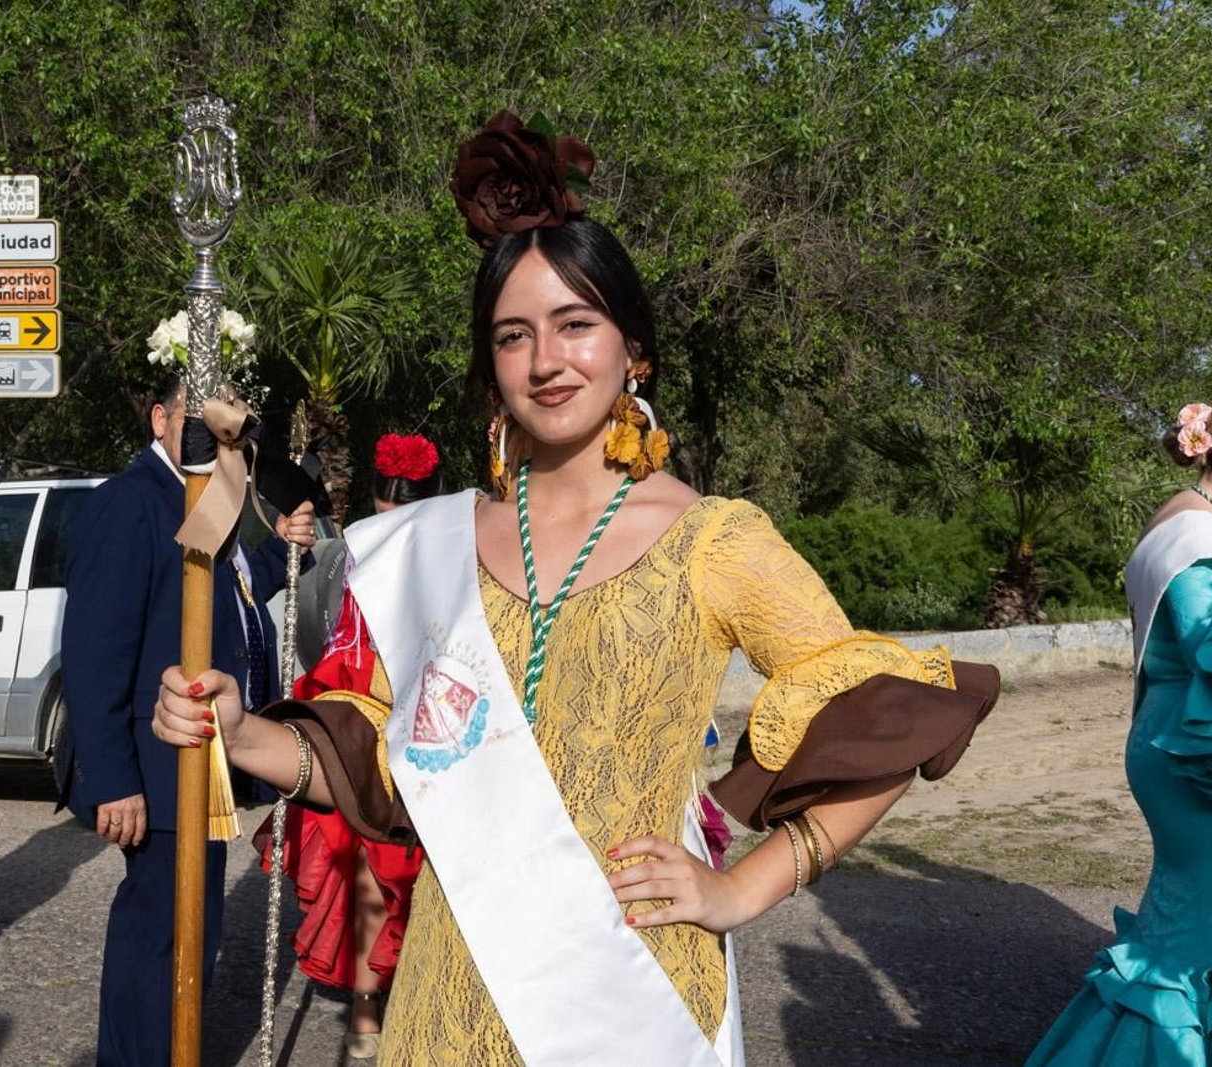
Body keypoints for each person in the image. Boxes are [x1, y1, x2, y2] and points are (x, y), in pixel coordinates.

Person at [152, 112, 999, 1066]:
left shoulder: (713, 541)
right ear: (491, 368)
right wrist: (241, 732)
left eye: (576, 325)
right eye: (514, 336)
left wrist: (745, 886)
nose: (546, 360)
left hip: (629, 1000)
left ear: (632, 347)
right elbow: (387, 769)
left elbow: (891, 710)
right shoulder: (430, 547)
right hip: (444, 1003)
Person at [1026, 363, 1212, 1065]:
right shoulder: (1197, 539)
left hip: (1189, 750)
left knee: (1196, 936)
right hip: (1211, 766)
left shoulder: (1195, 524)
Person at [58, 373, 316, 1067]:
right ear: (159, 420)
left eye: (222, 427)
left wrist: (283, 547)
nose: (210, 438)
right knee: (158, 938)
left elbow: (228, 597)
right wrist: (113, 778)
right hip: (156, 763)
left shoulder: (206, 500)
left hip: (203, 756)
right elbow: (94, 651)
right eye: (195, 422)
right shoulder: (130, 502)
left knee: (191, 934)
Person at [257, 432, 443, 1060]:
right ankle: (367, 1007)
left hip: (424, 712)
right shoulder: (362, 548)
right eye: (384, 513)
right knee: (372, 860)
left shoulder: (445, 548)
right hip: (361, 713)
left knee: (421, 866)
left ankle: (411, 993)